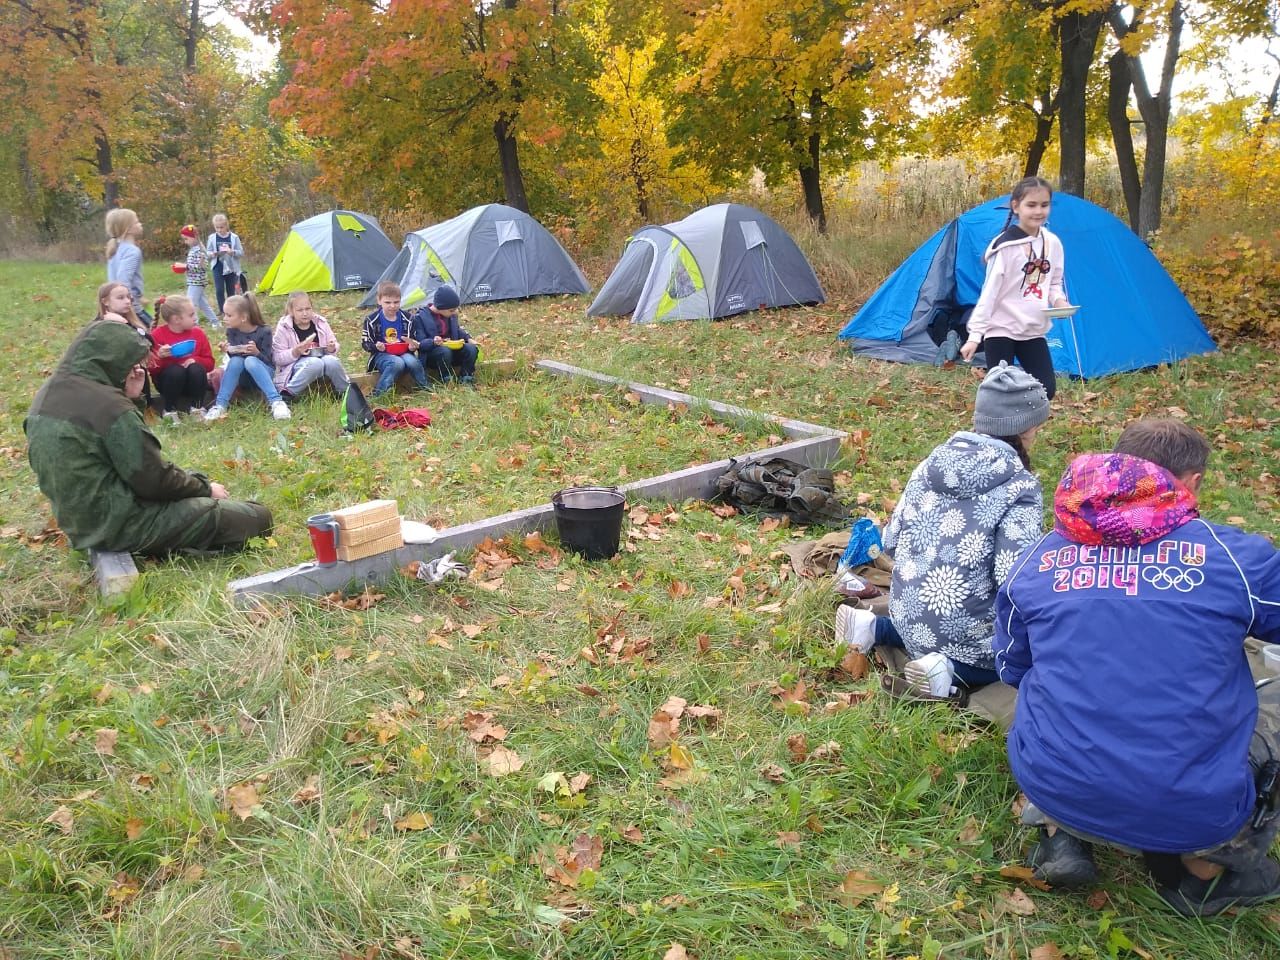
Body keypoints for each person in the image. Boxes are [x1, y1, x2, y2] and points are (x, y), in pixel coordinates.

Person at [994, 419, 1280, 916]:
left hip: (1055, 782)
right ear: (1190, 484)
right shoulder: (1235, 558)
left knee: (1044, 692)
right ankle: (1202, 874)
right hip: (1194, 811)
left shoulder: (1040, 556)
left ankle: (1060, 831)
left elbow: (1012, 667)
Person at [838, 362, 1050, 699]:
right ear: (1025, 427)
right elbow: (1015, 578)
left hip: (907, 614)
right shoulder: (1019, 487)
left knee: (921, 627)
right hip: (966, 636)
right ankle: (946, 671)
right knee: (1022, 656)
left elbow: (889, 542)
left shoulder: (930, 465)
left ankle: (873, 627)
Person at [24, 322, 271, 556]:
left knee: (188, 478)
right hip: (120, 525)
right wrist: (205, 488)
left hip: (81, 522)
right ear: (115, 362)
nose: (137, 370)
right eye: (132, 364)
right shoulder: (110, 407)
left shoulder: (48, 393)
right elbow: (153, 480)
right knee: (257, 517)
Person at [959, 176, 1071, 400]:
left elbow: (1054, 282)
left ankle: (1024, 429)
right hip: (1000, 329)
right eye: (1031, 205)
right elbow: (989, 294)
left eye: (1044, 205)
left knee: (1046, 390)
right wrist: (975, 336)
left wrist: (1059, 301)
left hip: (1032, 329)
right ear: (1016, 206)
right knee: (1000, 393)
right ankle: (1001, 433)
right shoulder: (1005, 247)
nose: (1038, 211)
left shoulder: (1053, 243)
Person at [203, 293, 291, 421]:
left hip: (263, 372)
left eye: (229, 315)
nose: (225, 318)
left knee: (250, 361)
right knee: (236, 361)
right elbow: (236, 358)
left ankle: (276, 402)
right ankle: (220, 405)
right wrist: (227, 350)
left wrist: (256, 353)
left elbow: (270, 361)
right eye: (224, 314)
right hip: (243, 377)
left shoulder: (264, 331)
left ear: (243, 317)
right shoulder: (231, 331)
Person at [273, 291, 349, 401]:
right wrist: (295, 351)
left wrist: (332, 348)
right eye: (300, 310)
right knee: (315, 363)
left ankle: (346, 392)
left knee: (332, 361)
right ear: (291, 311)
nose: (305, 313)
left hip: (322, 359)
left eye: (308, 309)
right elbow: (277, 358)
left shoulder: (320, 322)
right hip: (295, 366)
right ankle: (287, 394)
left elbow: (333, 343)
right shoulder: (284, 327)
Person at [148, 295, 214, 417]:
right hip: (169, 384)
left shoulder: (198, 333)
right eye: (191, 315)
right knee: (175, 370)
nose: (195, 318)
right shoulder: (158, 335)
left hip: (193, 383)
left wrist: (195, 360)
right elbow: (152, 369)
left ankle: (197, 408)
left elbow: (210, 363)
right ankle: (169, 410)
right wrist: (160, 356)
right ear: (177, 319)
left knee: (197, 368)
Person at [361, 281, 429, 396]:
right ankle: (379, 393)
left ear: (400, 300)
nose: (392, 306)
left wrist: (412, 346)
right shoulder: (371, 320)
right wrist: (376, 346)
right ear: (379, 301)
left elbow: (412, 340)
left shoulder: (408, 319)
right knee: (397, 363)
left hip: (403, 352)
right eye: (387, 302)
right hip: (381, 354)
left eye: (396, 302)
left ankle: (424, 387)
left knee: (413, 362)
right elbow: (365, 343)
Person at [412, 284, 479, 385]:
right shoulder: (420, 317)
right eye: (451, 310)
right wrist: (433, 342)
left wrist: (468, 338)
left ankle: (466, 377)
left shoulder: (450, 315)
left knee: (471, 349)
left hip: (453, 351)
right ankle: (446, 378)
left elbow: (457, 329)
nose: (454, 312)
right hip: (434, 355)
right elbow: (420, 343)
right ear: (440, 307)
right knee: (444, 351)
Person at [105, 208, 151, 326]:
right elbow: (123, 280)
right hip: (130, 307)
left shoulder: (116, 248)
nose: (140, 224)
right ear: (128, 229)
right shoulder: (132, 251)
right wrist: (131, 301)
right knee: (151, 335)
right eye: (136, 222)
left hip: (116, 304)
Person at [177, 224, 219, 326]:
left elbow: (203, 266)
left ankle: (194, 324)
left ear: (194, 237)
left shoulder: (200, 250)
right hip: (193, 281)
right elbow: (195, 265)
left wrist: (186, 267)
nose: (185, 242)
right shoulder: (194, 249)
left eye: (186, 239)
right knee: (203, 304)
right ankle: (216, 323)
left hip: (197, 281)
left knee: (191, 303)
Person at [206, 213, 245, 313]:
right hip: (218, 266)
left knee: (230, 290)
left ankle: (231, 310)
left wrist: (232, 252)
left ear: (226, 225)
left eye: (221, 227)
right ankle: (222, 310)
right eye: (217, 227)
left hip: (231, 268)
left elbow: (241, 253)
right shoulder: (212, 238)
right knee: (219, 289)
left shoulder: (234, 237)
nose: (219, 230)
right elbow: (207, 253)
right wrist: (213, 254)